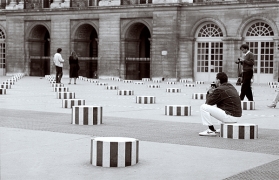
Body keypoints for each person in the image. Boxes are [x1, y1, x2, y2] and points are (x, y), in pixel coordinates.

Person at [199, 72, 242, 136]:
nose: (215, 81)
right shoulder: (231, 87)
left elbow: (208, 103)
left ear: (218, 80)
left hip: (230, 116)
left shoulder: (219, 90)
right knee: (220, 105)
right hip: (236, 116)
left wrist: (210, 92)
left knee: (203, 107)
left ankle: (211, 130)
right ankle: (222, 128)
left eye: (216, 79)